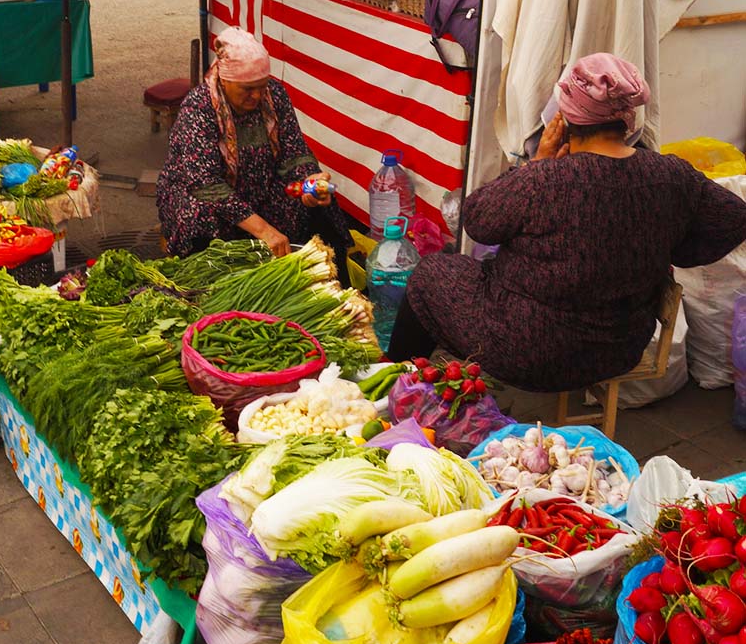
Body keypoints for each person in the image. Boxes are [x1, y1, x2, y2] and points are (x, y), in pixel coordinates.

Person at [389, 53, 746, 392]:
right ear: (628, 119)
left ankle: (392, 381)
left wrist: (537, 163)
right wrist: (669, 244)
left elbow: (478, 221)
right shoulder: (671, 175)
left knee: (430, 273)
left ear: (566, 118)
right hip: (617, 348)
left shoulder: (546, 179)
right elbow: (733, 218)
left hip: (526, 350)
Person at [157, 26, 348, 258]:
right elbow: (206, 185)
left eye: (262, 86)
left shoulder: (275, 95)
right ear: (225, 81)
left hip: (261, 188)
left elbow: (295, 152)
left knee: (318, 205)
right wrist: (264, 230)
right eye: (247, 89)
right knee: (199, 214)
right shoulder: (199, 107)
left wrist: (310, 180)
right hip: (206, 195)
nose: (257, 96)